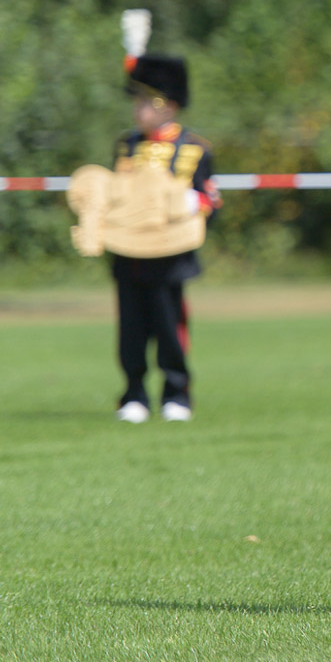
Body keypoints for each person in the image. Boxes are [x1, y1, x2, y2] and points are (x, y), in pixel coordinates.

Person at [111, 55, 216, 424]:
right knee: (130, 332)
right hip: (129, 256)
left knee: (170, 329)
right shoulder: (126, 145)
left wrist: (190, 203)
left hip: (171, 259)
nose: (137, 109)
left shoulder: (195, 148)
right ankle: (134, 393)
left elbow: (209, 200)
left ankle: (177, 392)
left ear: (168, 105)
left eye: (146, 101)